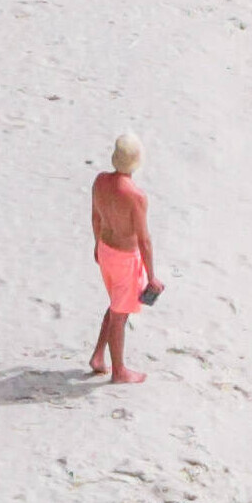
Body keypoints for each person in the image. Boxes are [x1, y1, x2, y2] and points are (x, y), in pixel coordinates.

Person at [87, 134, 158, 384]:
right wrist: (152, 276)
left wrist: (97, 244)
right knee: (120, 314)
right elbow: (144, 240)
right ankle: (119, 371)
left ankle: (98, 356)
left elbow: (96, 217)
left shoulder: (100, 181)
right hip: (125, 259)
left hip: (105, 250)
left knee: (116, 304)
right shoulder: (136, 196)